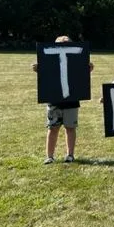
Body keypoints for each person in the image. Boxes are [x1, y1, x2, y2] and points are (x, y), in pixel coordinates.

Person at [32, 35, 94, 164]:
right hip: (53, 101)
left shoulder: (75, 59)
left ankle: (70, 155)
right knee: (52, 128)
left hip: (71, 101)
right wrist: (39, 69)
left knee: (70, 128)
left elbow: (78, 76)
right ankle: (49, 156)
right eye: (61, 44)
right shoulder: (50, 59)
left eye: (67, 44)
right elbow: (48, 74)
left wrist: (87, 69)